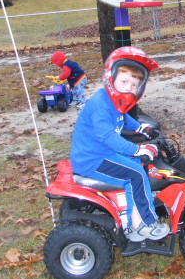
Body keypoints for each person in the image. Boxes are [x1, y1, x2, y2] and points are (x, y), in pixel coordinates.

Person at [70, 46, 170, 242]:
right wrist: (137, 148)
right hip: (93, 159)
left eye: (134, 85)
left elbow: (123, 118)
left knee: (140, 165)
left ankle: (130, 210)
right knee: (136, 175)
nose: (128, 88)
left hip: (101, 153)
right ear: (111, 77)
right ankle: (142, 225)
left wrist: (140, 129)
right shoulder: (100, 103)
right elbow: (107, 137)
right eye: (124, 81)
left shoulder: (113, 101)